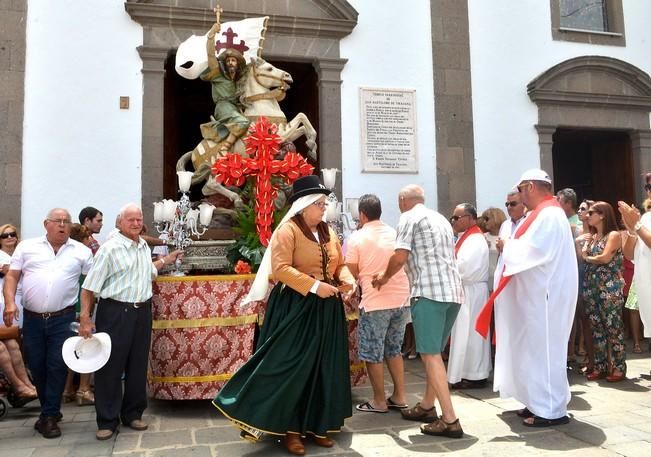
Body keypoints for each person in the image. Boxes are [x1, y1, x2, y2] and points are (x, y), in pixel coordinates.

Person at [213, 175, 355, 456]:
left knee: (322, 365)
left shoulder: (329, 232)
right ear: (303, 206)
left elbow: (341, 265)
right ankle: (290, 430)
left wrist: (348, 281)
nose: (323, 208)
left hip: (327, 309)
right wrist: (315, 286)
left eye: (324, 203)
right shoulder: (287, 231)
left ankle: (318, 425)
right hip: (296, 307)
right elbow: (280, 269)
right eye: (319, 204)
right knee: (293, 367)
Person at [477, 169, 577, 427]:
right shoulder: (542, 214)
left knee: (544, 351)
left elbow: (536, 251)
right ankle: (536, 400)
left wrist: (505, 246)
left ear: (531, 187)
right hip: (537, 296)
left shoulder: (550, 215)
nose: (520, 197)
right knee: (533, 351)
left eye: (521, 191)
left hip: (545, 298)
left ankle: (551, 410)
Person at [79, 204, 182, 441]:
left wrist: (166, 260)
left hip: (141, 312)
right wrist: (85, 319)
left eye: (139, 219)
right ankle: (107, 420)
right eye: (131, 220)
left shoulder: (143, 246)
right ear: (120, 223)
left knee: (137, 365)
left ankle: (133, 413)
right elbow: (89, 287)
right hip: (115, 312)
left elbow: (147, 272)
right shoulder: (110, 249)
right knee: (110, 367)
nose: (136, 223)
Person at [372, 184, 464, 439]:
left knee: (430, 354)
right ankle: (426, 406)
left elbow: (400, 256)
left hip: (429, 291)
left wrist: (383, 277)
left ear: (403, 200)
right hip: (453, 293)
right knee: (434, 353)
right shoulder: (441, 219)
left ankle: (450, 419)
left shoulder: (409, 217)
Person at [3, 209, 94, 438]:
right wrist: (10, 303)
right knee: (38, 367)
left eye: (66, 222)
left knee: (57, 366)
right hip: (32, 319)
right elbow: (12, 276)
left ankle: (50, 416)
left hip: (62, 319)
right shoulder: (27, 247)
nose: (62, 225)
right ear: (46, 224)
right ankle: (48, 410)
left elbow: (90, 285)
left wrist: (85, 316)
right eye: (57, 221)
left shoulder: (81, 252)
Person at [345, 194, 410, 414]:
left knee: (373, 351)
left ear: (362, 214)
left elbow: (351, 271)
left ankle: (379, 401)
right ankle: (400, 396)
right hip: (401, 299)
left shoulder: (357, 237)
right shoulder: (394, 233)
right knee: (393, 348)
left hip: (376, 301)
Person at [447, 203, 491, 389]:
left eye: (458, 218)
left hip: (472, 291)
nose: (454, 221)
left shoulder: (475, 240)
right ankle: (466, 373)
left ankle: (475, 375)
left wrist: (447, 265)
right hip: (466, 290)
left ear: (471, 218)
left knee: (472, 334)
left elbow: (465, 267)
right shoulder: (465, 238)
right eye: (453, 218)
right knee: (465, 333)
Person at [581, 201, 626, 382]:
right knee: (597, 328)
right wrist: (586, 251)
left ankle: (619, 367)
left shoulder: (613, 235)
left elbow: (605, 258)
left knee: (613, 328)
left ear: (603, 215)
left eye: (592, 212)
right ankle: (601, 366)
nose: (588, 215)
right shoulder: (593, 237)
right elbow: (586, 256)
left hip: (609, 288)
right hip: (592, 287)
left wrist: (587, 257)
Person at [200, 12, 250, 151]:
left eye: (233, 60)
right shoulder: (219, 75)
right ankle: (226, 146)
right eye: (228, 60)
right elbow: (211, 55)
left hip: (235, 108)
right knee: (243, 122)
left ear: (238, 63)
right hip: (223, 107)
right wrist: (211, 35)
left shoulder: (239, 80)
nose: (230, 63)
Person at [0, 223, 38, 407]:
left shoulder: (20, 253)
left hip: (19, 303)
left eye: (12, 234)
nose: (9, 237)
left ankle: (27, 385)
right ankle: (18, 386)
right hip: (7, 304)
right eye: (5, 235)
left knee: (14, 344)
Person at [619, 172, 651, 369]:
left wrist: (636, 224)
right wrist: (631, 229)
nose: (649, 190)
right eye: (648, 187)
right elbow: (629, 253)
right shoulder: (647, 217)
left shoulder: (643, 220)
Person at [62, 224, 95, 406]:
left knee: (74, 349)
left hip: (72, 309)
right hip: (80, 309)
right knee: (86, 348)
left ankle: (68, 389)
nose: (90, 240)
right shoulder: (82, 257)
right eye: (87, 237)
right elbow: (86, 287)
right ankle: (83, 388)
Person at [478, 207, 506, 292]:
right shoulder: (482, 237)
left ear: (496, 218)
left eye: (487, 219)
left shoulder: (506, 236)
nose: (484, 222)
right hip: (486, 279)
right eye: (483, 219)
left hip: (501, 277)